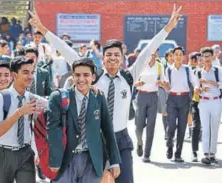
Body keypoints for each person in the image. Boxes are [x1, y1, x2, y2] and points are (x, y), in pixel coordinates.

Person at [28, 4, 182, 182]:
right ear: (103, 57)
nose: (113, 58)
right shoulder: (92, 76)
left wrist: (168, 28)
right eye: (109, 54)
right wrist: (43, 29)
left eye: (117, 55)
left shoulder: (128, 76)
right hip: (96, 139)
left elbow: (148, 51)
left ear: (122, 57)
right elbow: (66, 50)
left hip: (121, 138)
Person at [47, 57, 121, 182]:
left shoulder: (99, 97)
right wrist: (55, 159)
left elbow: (108, 130)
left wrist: (114, 162)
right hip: (65, 160)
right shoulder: (59, 97)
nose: (81, 79)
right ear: (72, 76)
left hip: (92, 161)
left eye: (86, 75)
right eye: (77, 75)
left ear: (93, 77)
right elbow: (53, 129)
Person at [0, 56, 48, 183]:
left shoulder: (33, 99)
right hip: (3, 153)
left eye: (32, 72)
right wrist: (20, 112)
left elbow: (56, 105)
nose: (31, 76)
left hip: (26, 153)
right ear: (14, 75)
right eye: (25, 72)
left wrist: (90, 88)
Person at [164, 46, 197, 162]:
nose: (178, 56)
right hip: (172, 99)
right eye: (176, 54)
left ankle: (178, 153)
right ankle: (169, 145)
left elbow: (195, 83)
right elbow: (167, 87)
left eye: (180, 54)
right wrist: (163, 85)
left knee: (182, 127)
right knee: (171, 125)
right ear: (172, 57)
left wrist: (198, 88)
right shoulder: (168, 70)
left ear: (183, 57)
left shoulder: (188, 69)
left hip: (184, 99)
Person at [134, 51, 166, 162]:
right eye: (151, 51)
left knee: (151, 126)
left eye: (155, 52)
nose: (153, 54)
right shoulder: (141, 65)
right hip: (141, 96)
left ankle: (147, 154)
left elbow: (164, 82)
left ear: (157, 53)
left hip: (153, 96)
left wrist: (161, 83)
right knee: (138, 126)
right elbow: (133, 81)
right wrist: (138, 84)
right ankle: (139, 142)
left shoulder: (159, 66)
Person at [194, 47, 222, 165]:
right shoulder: (199, 72)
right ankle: (206, 153)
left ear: (212, 57)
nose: (207, 59)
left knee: (214, 128)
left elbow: (220, 85)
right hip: (204, 102)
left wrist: (209, 82)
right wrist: (200, 89)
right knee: (205, 128)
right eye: (204, 56)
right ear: (201, 58)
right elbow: (196, 88)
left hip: (216, 101)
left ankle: (213, 154)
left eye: (209, 56)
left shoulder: (218, 70)